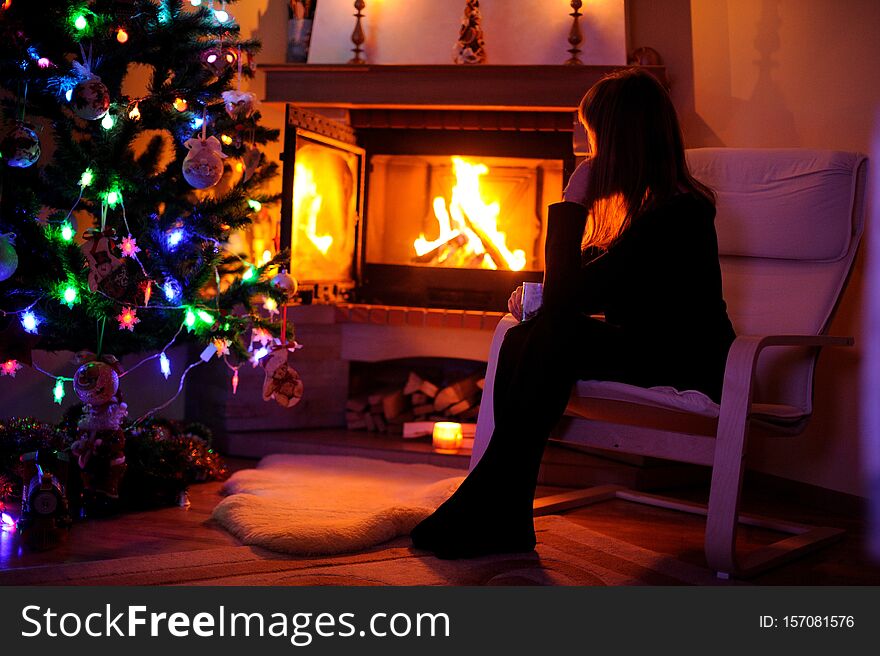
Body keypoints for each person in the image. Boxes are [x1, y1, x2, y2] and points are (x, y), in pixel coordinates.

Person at [410, 67, 736, 559]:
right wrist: (534, 296)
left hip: (691, 363)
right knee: (527, 337)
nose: (589, 153)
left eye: (594, 139)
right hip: (647, 349)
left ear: (622, 141)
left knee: (555, 333)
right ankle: (506, 513)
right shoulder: (646, 212)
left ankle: (489, 503)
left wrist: (571, 203)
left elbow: (572, 299)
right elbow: (579, 289)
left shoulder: (678, 215)